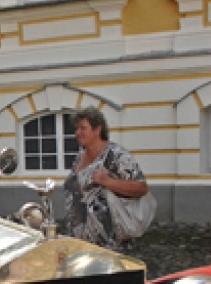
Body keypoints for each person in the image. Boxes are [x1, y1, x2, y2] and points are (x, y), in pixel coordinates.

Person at [63, 107, 149, 249]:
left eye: (83, 128)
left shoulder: (116, 155)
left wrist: (108, 181)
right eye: (76, 128)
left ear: (98, 129)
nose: (77, 133)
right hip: (79, 241)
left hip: (109, 244)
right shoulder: (80, 157)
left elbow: (141, 187)